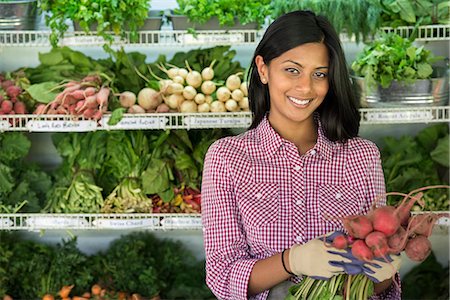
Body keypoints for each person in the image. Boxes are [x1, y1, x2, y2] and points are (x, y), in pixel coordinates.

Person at [201, 10, 401, 300]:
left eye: (319, 74)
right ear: (263, 69)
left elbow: (376, 278)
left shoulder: (361, 156)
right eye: (292, 70)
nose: (306, 87)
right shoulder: (227, 158)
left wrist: (383, 273)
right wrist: (290, 261)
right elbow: (222, 277)